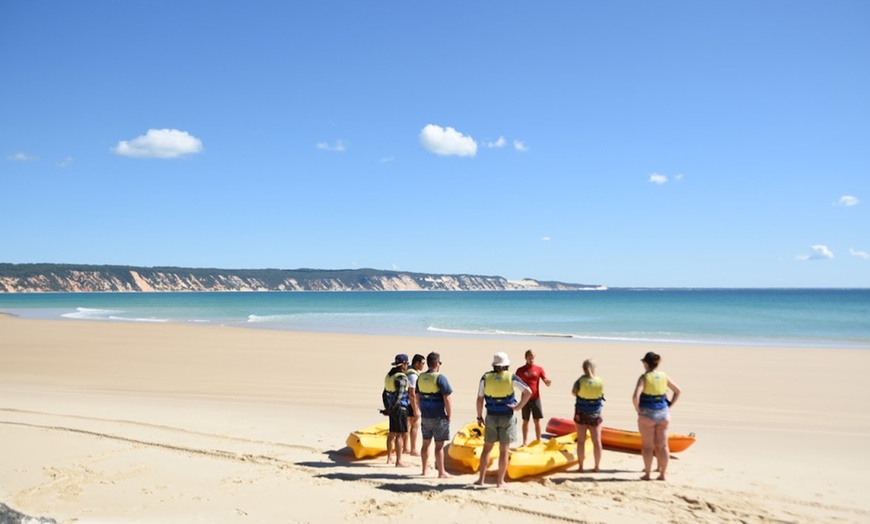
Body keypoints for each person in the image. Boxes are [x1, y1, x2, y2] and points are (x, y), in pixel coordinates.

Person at [474, 352, 532, 488]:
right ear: (507, 365)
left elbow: (479, 399)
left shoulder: (485, 377)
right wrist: (518, 407)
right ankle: (500, 482)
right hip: (507, 416)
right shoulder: (511, 377)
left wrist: (479, 416)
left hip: (491, 415)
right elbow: (528, 392)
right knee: (504, 451)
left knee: (487, 449)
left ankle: (481, 480)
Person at [632, 351, 682, 481]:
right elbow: (678, 391)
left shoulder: (643, 378)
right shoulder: (664, 376)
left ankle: (647, 474)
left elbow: (635, 397)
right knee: (663, 445)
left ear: (646, 364)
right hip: (663, 413)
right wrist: (669, 406)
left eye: (644, 362)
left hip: (647, 414)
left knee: (647, 446)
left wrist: (638, 410)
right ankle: (662, 474)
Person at [416, 351, 453, 478]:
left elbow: (417, 397)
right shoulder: (440, 377)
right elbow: (447, 398)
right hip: (438, 416)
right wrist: (449, 415)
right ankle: (441, 472)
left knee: (425, 443)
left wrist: (421, 410)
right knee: (439, 446)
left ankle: (424, 470)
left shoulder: (420, 377)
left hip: (425, 416)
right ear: (437, 363)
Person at [571, 358, 605, 472]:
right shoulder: (600, 381)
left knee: (581, 441)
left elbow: (574, 393)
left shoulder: (580, 381)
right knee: (597, 441)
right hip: (595, 413)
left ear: (584, 369)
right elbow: (601, 394)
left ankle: (581, 466)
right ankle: (597, 467)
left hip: (581, 412)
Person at [515, 349, 552, 446]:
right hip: (525, 399)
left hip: (536, 398)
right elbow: (514, 382)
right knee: (525, 421)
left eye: (532, 358)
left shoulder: (539, 369)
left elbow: (545, 380)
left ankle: (538, 441)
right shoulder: (520, 370)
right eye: (529, 357)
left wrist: (548, 382)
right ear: (525, 358)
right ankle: (524, 442)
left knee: (537, 420)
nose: (531, 359)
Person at [382, 353, 411, 467]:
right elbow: (399, 396)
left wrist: (387, 408)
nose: (407, 366)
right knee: (400, 435)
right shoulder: (401, 377)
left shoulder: (389, 376)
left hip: (391, 408)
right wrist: (393, 408)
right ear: (403, 365)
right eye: (407, 363)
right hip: (400, 409)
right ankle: (399, 461)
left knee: (391, 433)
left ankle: (389, 458)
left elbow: (384, 394)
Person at [404, 353, 425, 456]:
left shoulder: (408, 371)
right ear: (416, 363)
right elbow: (412, 393)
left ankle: (405, 448)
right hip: (410, 403)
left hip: (405, 402)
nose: (423, 365)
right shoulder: (413, 375)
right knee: (415, 425)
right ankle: (412, 449)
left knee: (407, 425)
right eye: (422, 363)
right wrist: (415, 408)